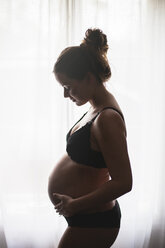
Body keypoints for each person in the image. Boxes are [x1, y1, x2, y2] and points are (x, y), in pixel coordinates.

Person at [48, 28, 133, 248]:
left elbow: (124, 182)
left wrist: (75, 205)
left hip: (93, 221)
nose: (66, 95)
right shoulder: (95, 108)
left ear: (88, 77)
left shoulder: (108, 118)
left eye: (68, 87)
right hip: (84, 216)